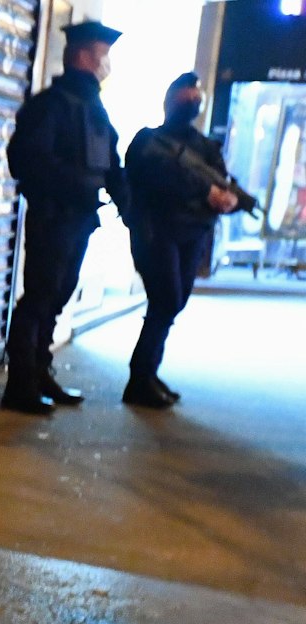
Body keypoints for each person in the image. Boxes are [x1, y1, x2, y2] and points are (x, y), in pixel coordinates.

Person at [2, 20, 128, 416]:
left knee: (56, 297)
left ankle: (40, 372)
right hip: (53, 216)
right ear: (84, 56)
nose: (107, 63)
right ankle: (19, 386)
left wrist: (130, 208)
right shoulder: (50, 105)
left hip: (79, 218)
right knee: (38, 298)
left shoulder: (94, 107)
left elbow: (111, 162)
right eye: (103, 55)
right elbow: (25, 160)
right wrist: (72, 183)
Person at [121, 73, 242, 409]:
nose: (191, 104)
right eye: (185, 98)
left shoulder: (205, 147)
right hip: (157, 233)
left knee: (172, 304)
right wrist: (206, 190)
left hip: (193, 234)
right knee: (166, 300)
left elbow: (222, 185)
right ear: (169, 101)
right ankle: (139, 378)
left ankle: (148, 373)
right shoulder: (148, 141)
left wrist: (228, 199)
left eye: (195, 100)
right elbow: (160, 175)